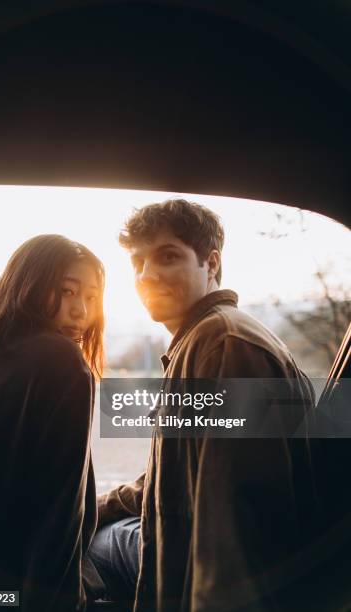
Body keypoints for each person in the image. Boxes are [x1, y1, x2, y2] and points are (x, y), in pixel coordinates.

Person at [88, 199, 317, 611]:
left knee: (87, 548)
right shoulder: (204, 338)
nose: (146, 275)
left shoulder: (224, 346)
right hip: (186, 536)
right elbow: (168, 480)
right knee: (97, 531)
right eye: (137, 262)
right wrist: (96, 507)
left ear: (210, 264)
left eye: (168, 257)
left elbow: (234, 525)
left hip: (207, 566)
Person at [0, 234, 105, 612]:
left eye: (92, 297)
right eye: (67, 291)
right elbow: (58, 517)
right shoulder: (61, 360)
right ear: (29, 286)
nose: (81, 311)